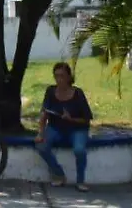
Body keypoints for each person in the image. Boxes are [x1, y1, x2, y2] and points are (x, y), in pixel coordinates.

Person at [35, 62, 93, 192]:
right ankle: (59, 174)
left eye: (62, 76)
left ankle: (80, 181)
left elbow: (87, 118)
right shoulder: (50, 91)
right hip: (55, 127)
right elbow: (44, 113)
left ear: (68, 77)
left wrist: (71, 119)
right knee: (41, 146)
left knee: (79, 150)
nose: (59, 79)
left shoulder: (78, 93)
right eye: (56, 76)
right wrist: (40, 132)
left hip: (77, 129)